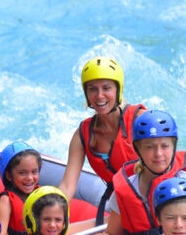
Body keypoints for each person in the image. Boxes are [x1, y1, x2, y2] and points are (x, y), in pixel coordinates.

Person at [58, 56, 146, 224]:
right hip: (120, 208)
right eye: (92, 89)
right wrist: (50, 213)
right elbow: (67, 187)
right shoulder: (82, 135)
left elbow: (163, 167)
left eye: (107, 88)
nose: (99, 96)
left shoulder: (139, 121)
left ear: (118, 90)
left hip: (149, 206)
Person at [0, 141, 41, 235]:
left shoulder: (40, 193)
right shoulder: (6, 200)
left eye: (34, 172)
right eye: (22, 173)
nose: (30, 178)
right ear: (9, 176)